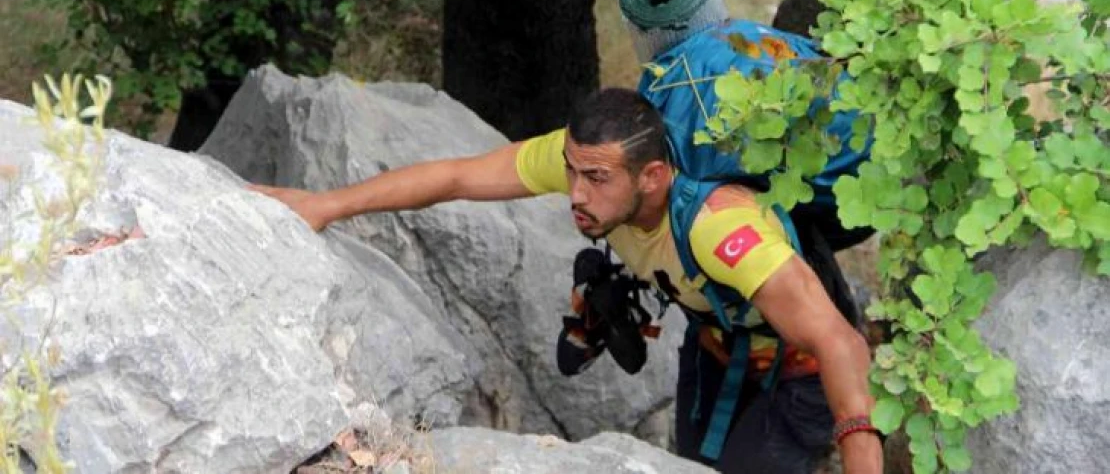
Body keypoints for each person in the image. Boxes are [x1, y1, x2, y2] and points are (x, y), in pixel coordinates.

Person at [251, 87, 882, 474]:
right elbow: (454, 178)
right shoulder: (590, 161)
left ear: (654, 177)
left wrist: (860, 446)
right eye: (572, 172)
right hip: (717, 345)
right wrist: (326, 204)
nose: (575, 194)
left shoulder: (721, 228)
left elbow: (840, 343)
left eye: (597, 180)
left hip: (800, 371)